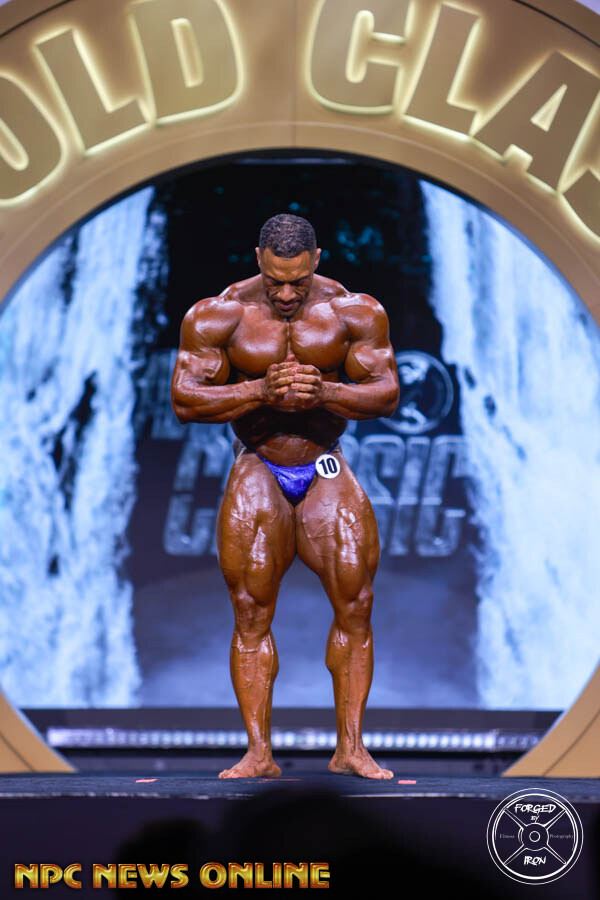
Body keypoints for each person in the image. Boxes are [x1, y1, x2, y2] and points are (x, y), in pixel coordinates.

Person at [171, 214, 400, 779]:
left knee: (357, 604)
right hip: (258, 462)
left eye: (298, 280)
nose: (288, 294)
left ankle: (351, 749)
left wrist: (327, 391)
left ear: (316, 260)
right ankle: (259, 754)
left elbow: (387, 392)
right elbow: (184, 398)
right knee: (250, 612)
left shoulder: (354, 311)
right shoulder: (219, 314)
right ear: (258, 259)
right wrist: (258, 388)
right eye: (276, 281)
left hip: (324, 462)